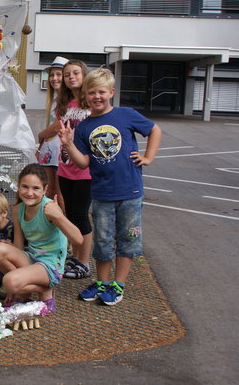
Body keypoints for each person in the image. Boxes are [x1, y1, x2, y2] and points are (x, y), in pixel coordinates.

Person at [58, 68, 162, 305]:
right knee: (103, 241)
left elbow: (154, 129)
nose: (97, 96)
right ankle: (102, 282)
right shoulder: (84, 127)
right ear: (85, 95)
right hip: (102, 193)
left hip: (130, 192)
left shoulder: (126, 115)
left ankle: (118, 284)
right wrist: (68, 144)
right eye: (91, 92)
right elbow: (83, 162)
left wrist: (148, 157)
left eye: (101, 92)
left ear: (111, 92)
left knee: (127, 239)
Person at [0, 164, 83, 313]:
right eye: (25, 187)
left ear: (45, 190)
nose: (29, 193)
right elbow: (19, 246)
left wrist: (58, 215)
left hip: (50, 266)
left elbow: (78, 240)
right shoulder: (18, 209)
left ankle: (44, 291)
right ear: (18, 187)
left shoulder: (49, 209)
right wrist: (8, 248)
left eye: (36, 188)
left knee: (8, 282)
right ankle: (25, 290)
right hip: (32, 258)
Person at [55, 60, 94, 281]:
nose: (71, 77)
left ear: (84, 75)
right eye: (67, 74)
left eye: (75, 73)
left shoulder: (90, 103)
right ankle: (76, 257)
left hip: (84, 170)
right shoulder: (65, 105)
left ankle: (84, 262)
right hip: (65, 167)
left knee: (81, 215)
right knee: (70, 214)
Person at [35, 56, 68, 202]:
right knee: (50, 194)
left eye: (59, 74)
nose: (54, 78)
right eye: (52, 75)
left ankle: (64, 224)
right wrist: (41, 146)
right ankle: (52, 224)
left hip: (61, 154)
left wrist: (41, 134)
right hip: (49, 153)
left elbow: (57, 126)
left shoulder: (70, 100)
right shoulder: (55, 100)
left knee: (61, 196)